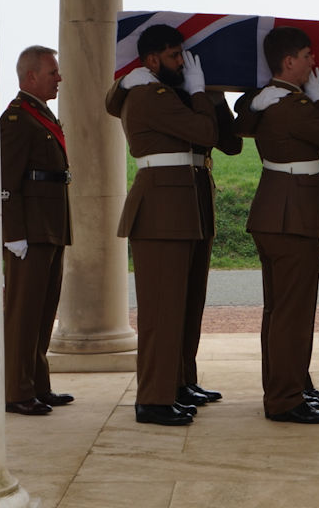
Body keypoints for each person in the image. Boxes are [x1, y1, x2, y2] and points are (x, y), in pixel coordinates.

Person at [107, 26, 241, 412]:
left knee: (186, 304)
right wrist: (200, 94)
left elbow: (228, 143)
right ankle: (154, 397)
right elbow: (202, 130)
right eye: (173, 56)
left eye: (182, 54)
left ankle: (180, 382)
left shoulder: (174, 95)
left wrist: (214, 99)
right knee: (162, 310)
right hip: (162, 209)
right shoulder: (149, 94)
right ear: (151, 61)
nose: (182, 62)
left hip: (189, 204)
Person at [233, 26, 319, 424]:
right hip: (292, 216)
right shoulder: (292, 105)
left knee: (281, 310)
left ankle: (289, 385)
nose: (314, 62)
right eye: (307, 55)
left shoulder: (271, 102)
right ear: (289, 63)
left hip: (278, 211)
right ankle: (285, 399)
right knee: (291, 312)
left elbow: (244, 113)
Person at [0, 45, 75, 416]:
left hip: (51, 225)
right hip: (29, 231)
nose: (59, 78)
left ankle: (37, 384)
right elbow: (6, 181)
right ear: (31, 76)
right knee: (23, 314)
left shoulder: (40, 114)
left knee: (44, 312)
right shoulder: (16, 119)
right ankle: (15, 390)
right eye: (52, 73)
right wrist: (13, 233)